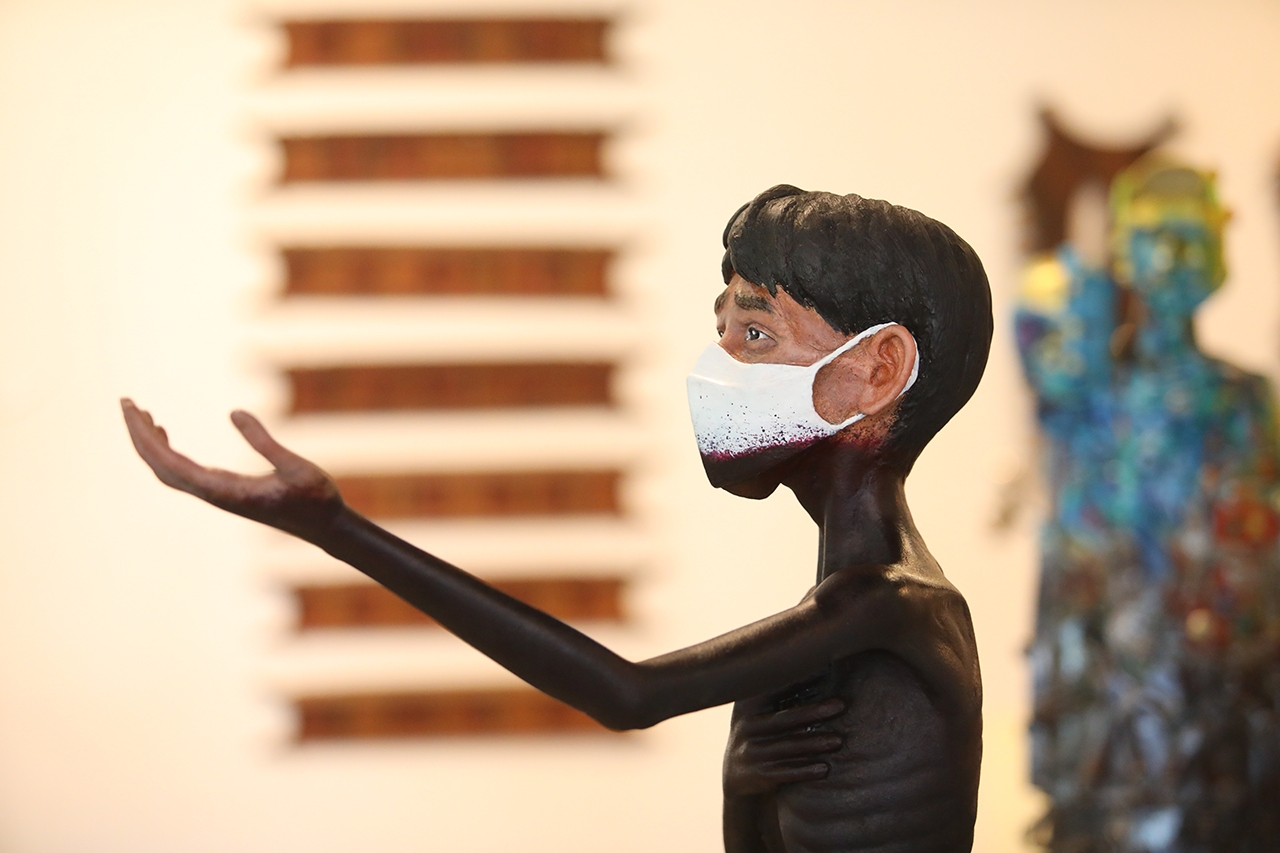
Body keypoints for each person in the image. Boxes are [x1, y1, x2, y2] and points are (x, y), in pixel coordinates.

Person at [123, 184, 993, 853]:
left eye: (756, 335)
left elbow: (627, 693)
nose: (719, 364)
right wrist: (741, 783)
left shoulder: (891, 604)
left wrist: (333, 525)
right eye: (721, 329)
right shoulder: (823, 629)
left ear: (878, 369)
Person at [1016, 157, 1280, 852]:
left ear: (1219, 254)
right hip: (1104, 726)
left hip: (1225, 721)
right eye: (1157, 237)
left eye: (1194, 238)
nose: (1175, 258)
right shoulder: (1087, 393)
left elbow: (1259, 558)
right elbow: (1070, 552)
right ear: (1125, 253)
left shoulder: (1245, 399)